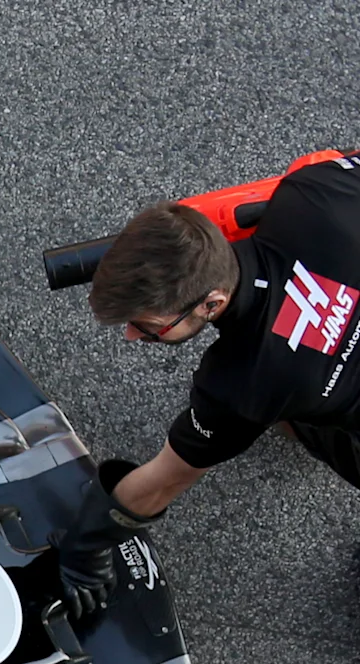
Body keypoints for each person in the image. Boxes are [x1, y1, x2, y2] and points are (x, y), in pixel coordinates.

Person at [62, 155, 360, 621]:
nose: (133, 336)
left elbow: (159, 484)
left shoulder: (242, 385)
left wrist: (84, 549)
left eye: (149, 326)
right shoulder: (315, 190)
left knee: (290, 409)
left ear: (212, 302)